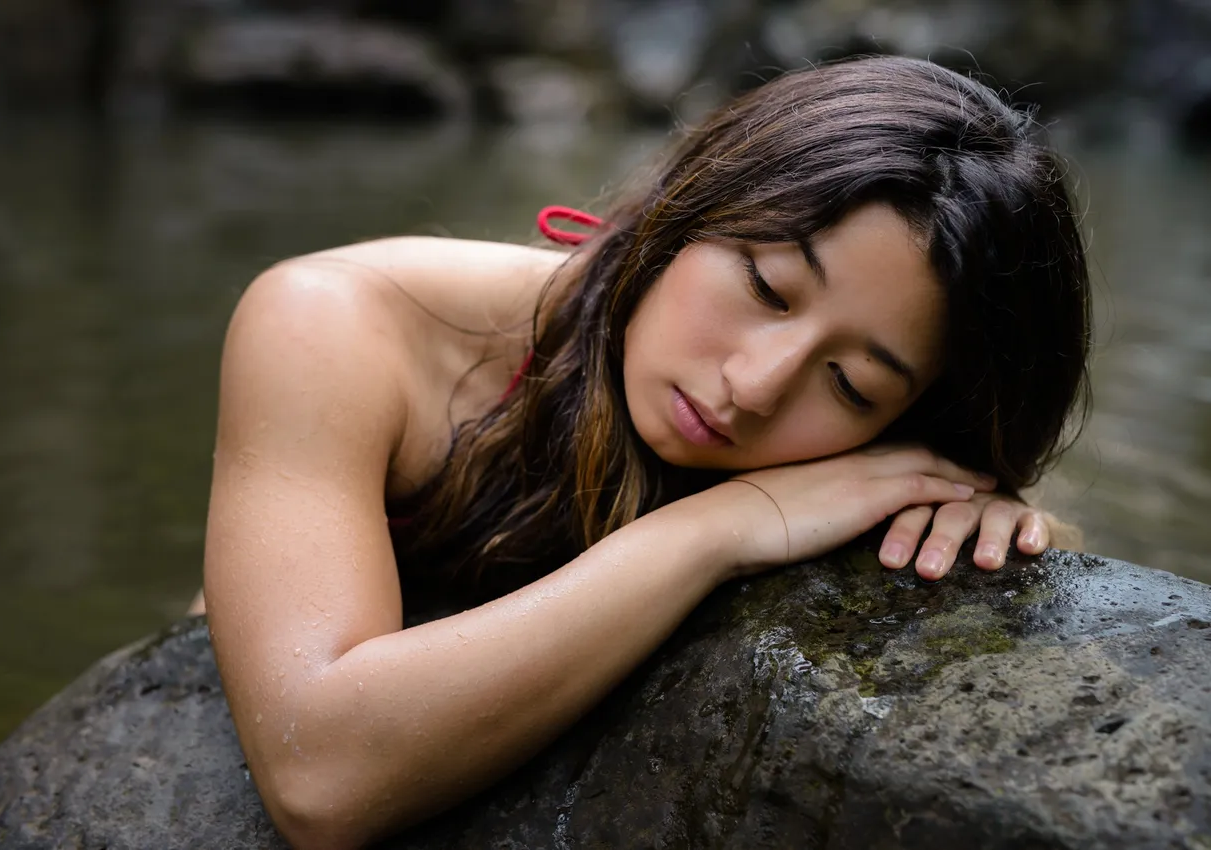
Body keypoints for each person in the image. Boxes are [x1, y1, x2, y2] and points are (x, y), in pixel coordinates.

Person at [193, 56, 1091, 849]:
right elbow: (321, 777)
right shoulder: (339, 322)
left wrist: (988, 527)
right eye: (765, 285)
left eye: (852, 383)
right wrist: (721, 529)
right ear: (692, 202)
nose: (756, 384)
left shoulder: (879, 461)